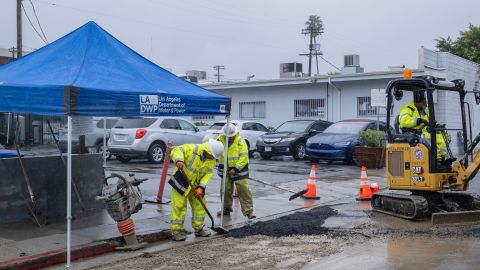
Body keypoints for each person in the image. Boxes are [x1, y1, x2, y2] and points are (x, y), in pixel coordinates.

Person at [168, 139, 224, 241]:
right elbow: (177, 150)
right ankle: (176, 231)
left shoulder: (211, 160)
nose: (213, 158)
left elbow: (208, 174)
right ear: (208, 151)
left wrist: (201, 187)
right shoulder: (193, 148)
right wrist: (179, 160)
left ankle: (199, 228)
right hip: (181, 181)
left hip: (196, 185)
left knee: (200, 205)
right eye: (213, 156)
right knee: (179, 206)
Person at [217, 123, 255, 219]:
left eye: (231, 135)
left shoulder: (240, 141)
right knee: (225, 190)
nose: (230, 137)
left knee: (244, 190)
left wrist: (235, 168)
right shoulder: (219, 140)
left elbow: (244, 157)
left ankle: (249, 211)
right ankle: (226, 209)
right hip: (225, 170)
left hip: (239, 170)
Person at [398, 90, 447, 160]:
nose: (426, 103)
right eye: (424, 101)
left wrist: (436, 126)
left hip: (424, 132)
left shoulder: (425, 110)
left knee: (441, 137)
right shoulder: (407, 108)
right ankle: (434, 161)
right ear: (418, 100)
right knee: (431, 141)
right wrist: (417, 121)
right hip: (412, 133)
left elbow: (429, 122)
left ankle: (442, 159)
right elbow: (403, 121)